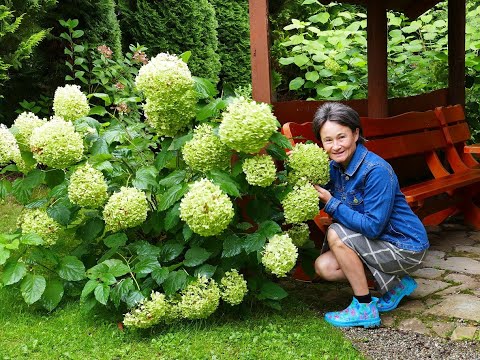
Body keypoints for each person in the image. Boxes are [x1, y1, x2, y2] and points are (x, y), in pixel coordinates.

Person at [312, 102, 429, 328]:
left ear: (356, 133)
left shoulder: (376, 170)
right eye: (328, 140)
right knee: (325, 267)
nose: (335, 146)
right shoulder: (334, 167)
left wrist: (331, 202)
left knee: (336, 232)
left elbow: (374, 227)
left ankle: (364, 306)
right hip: (378, 243)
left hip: (405, 247)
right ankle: (395, 285)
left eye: (341, 137)